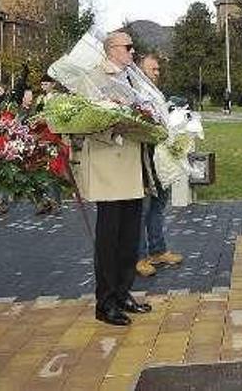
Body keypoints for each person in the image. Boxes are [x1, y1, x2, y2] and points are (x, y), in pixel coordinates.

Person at [76, 32, 151, 326]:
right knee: (109, 238)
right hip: (108, 167)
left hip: (131, 165)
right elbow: (84, 122)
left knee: (130, 236)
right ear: (111, 50)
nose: (133, 51)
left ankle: (123, 292)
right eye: (128, 47)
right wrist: (118, 127)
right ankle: (105, 301)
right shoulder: (93, 78)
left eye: (133, 46)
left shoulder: (133, 77)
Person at [135, 53, 183, 278]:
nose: (157, 74)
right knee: (143, 209)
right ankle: (140, 257)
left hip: (161, 156)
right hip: (144, 156)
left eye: (158, 70)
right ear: (140, 69)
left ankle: (158, 250)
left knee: (158, 204)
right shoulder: (135, 91)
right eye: (152, 70)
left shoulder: (155, 92)